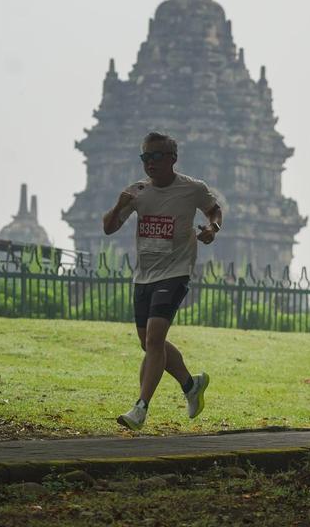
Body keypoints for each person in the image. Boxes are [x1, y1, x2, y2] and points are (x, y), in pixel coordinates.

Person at [102, 132, 223, 430]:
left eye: (156, 157)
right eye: (145, 158)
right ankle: (190, 384)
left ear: (172, 158)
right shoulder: (137, 192)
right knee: (148, 343)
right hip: (144, 275)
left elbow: (213, 210)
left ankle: (140, 408)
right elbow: (109, 229)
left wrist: (212, 228)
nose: (150, 164)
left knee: (155, 338)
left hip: (176, 271)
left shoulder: (193, 189)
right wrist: (119, 206)